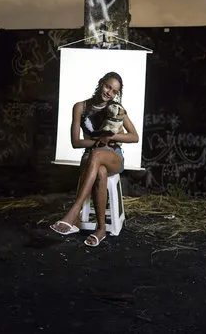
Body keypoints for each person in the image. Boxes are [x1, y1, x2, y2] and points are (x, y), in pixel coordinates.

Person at [50, 72, 139, 246]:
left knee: (98, 157)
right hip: (90, 156)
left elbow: (135, 137)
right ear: (100, 83)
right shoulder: (80, 107)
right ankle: (101, 229)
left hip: (114, 156)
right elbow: (76, 142)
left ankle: (74, 212)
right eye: (108, 87)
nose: (109, 93)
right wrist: (98, 142)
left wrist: (111, 138)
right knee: (100, 169)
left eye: (114, 91)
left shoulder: (116, 108)